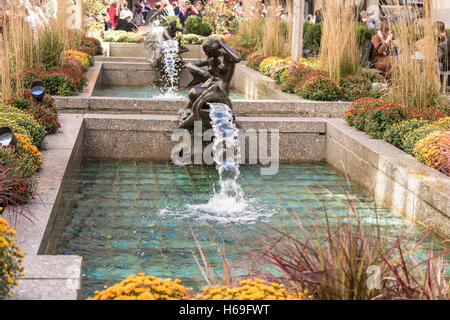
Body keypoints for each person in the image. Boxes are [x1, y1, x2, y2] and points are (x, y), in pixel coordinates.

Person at [183, 37, 241, 118]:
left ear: (212, 49)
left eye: (206, 51)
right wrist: (203, 72)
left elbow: (238, 58)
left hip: (220, 90)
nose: (205, 53)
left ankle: (190, 111)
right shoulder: (210, 59)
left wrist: (224, 44)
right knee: (195, 94)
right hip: (210, 87)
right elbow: (190, 65)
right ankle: (189, 111)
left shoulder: (227, 58)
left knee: (193, 92)